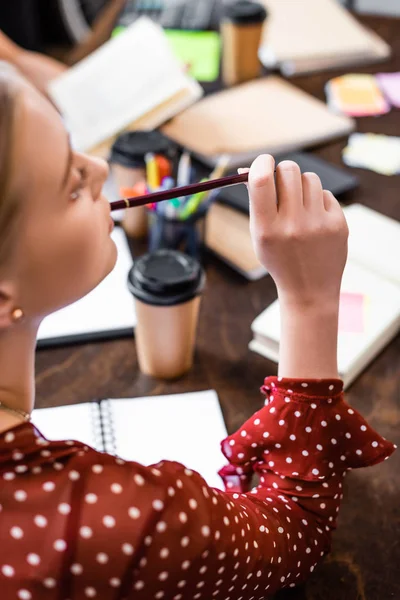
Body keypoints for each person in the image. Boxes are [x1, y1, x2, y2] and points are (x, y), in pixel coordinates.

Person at [0, 60, 395, 600]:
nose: (98, 168)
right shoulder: (117, 523)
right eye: (71, 183)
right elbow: (293, 532)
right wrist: (309, 302)